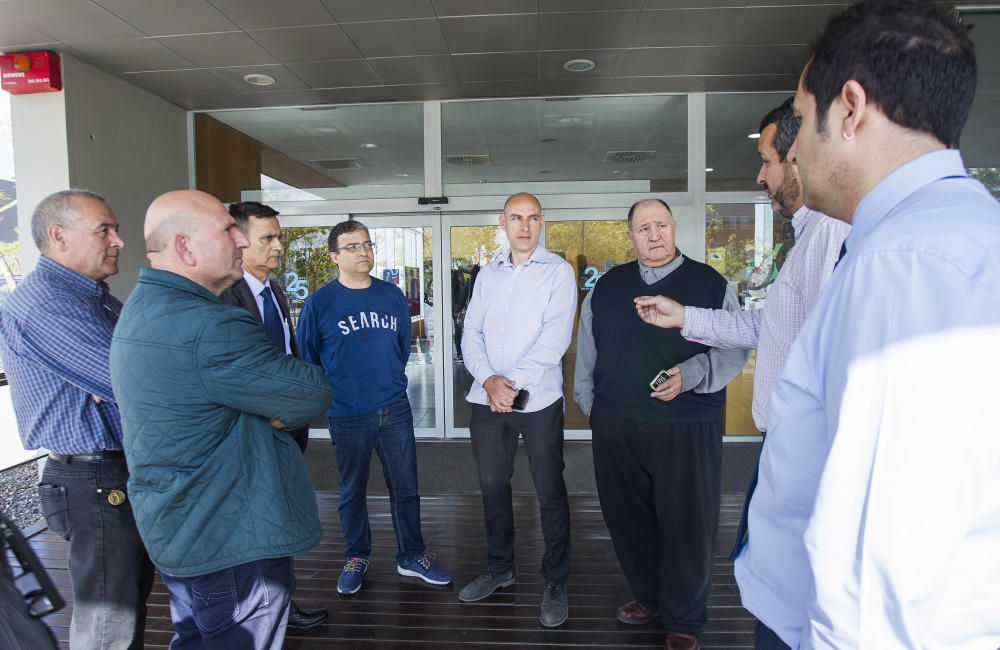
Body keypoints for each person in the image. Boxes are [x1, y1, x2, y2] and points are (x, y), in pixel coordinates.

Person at [734, 1, 1000, 648]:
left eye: (800, 120)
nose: (792, 153)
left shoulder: (905, 268)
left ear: (849, 109)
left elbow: (879, 563)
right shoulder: (957, 234)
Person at [110, 190, 331, 649]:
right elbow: (310, 391)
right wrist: (269, 409)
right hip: (230, 536)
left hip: (185, 527)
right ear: (186, 248)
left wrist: (263, 406)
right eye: (228, 231)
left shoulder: (142, 305)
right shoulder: (209, 325)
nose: (241, 241)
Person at [574, 199, 748, 650]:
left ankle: (685, 617)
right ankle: (648, 596)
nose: (654, 235)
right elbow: (587, 349)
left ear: (673, 228)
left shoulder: (709, 285)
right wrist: (591, 405)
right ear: (629, 235)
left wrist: (690, 376)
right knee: (628, 518)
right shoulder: (608, 286)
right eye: (643, 228)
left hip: (687, 425)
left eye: (661, 225)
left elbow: (733, 348)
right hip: (616, 425)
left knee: (687, 521)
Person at [635, 99, 848, 436]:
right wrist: (683, 316)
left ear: (796, 157)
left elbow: (830, 351)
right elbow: (771, 326)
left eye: (766, 161)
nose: (760, 176)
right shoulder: (809, 236)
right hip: (789, 435)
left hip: (803, 437)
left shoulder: (830, 232)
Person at [0, 189, 154, 650]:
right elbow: (132, 380)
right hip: (93, 479)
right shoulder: (49, 302)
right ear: (58, 236)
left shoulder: (91, 297)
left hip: (113, 472)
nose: (119, 241)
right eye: (104, 230)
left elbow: (135, 371)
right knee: (110, 622)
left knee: (125, 608)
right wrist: (126, 382)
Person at [296, 219, 452, 596]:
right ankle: (356, 555)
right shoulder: (319, 303)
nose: (363, 251)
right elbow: (309, 358)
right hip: (347, 412)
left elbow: (401, 347)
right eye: (352, 246)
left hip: (394, 406)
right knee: (352, 489)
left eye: (367, 244)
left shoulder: (392, 295)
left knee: (406, 487)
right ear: (334, 256)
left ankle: (411, 555)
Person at [457, 192, 576, 628]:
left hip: (538, 399)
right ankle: (500, 567)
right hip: (487, 398)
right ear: (503, 223)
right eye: (516, 218)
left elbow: (554, 339)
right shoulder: (487, 275)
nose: (525, 226)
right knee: (492, 486)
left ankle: (556, 580)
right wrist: (489, 379)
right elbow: (470, 331)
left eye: (533, 218)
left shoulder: (559, 273)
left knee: (549, 491)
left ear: (542, 222)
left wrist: (511, 383)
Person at [218, 200, 328, 632]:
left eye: (278, 236)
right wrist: (272, 414)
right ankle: (258, 611)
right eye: (268, 238)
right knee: (255, 521)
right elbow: (235, 373)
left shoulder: (273, 289)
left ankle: (281, 604)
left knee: (277, 517)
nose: (278, 245)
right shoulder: (226, 297)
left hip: (286, 430)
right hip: (253, 433)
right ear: (239, 242)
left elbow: (286, 355)